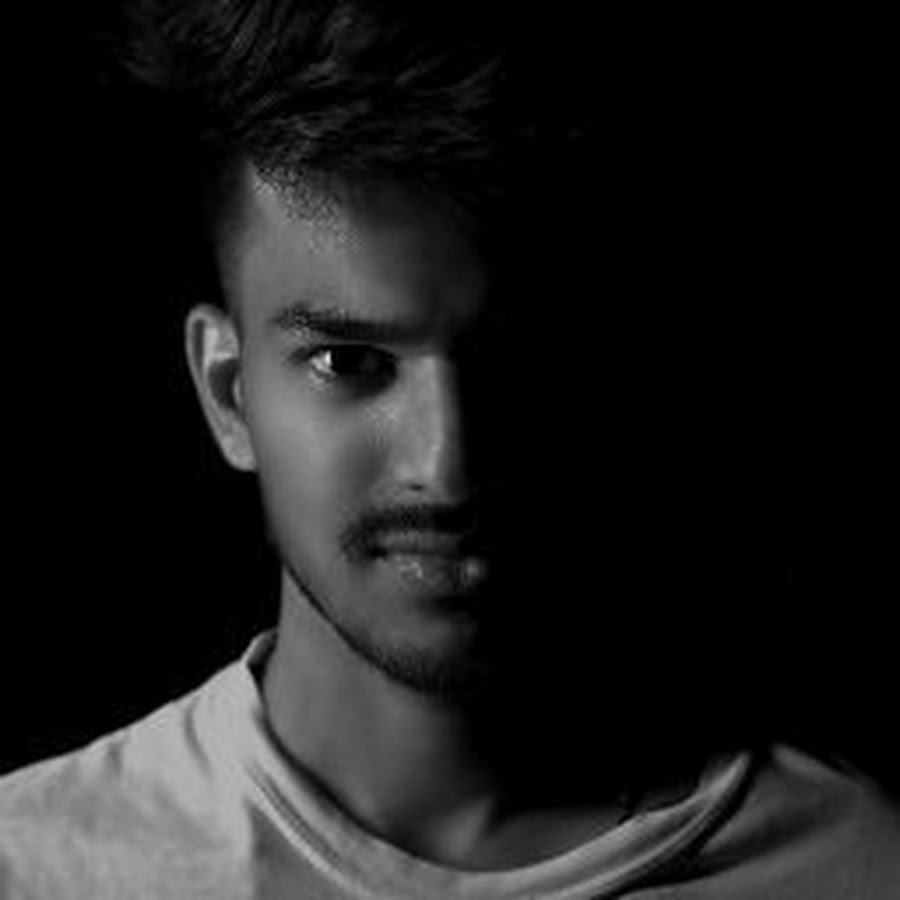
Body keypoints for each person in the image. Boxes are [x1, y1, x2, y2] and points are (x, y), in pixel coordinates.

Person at [1, 1, 897, 897]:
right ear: (229, 395)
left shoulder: (855, 865)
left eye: (520, 360)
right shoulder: (33, 865)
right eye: (349, 362)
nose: (447, 461)